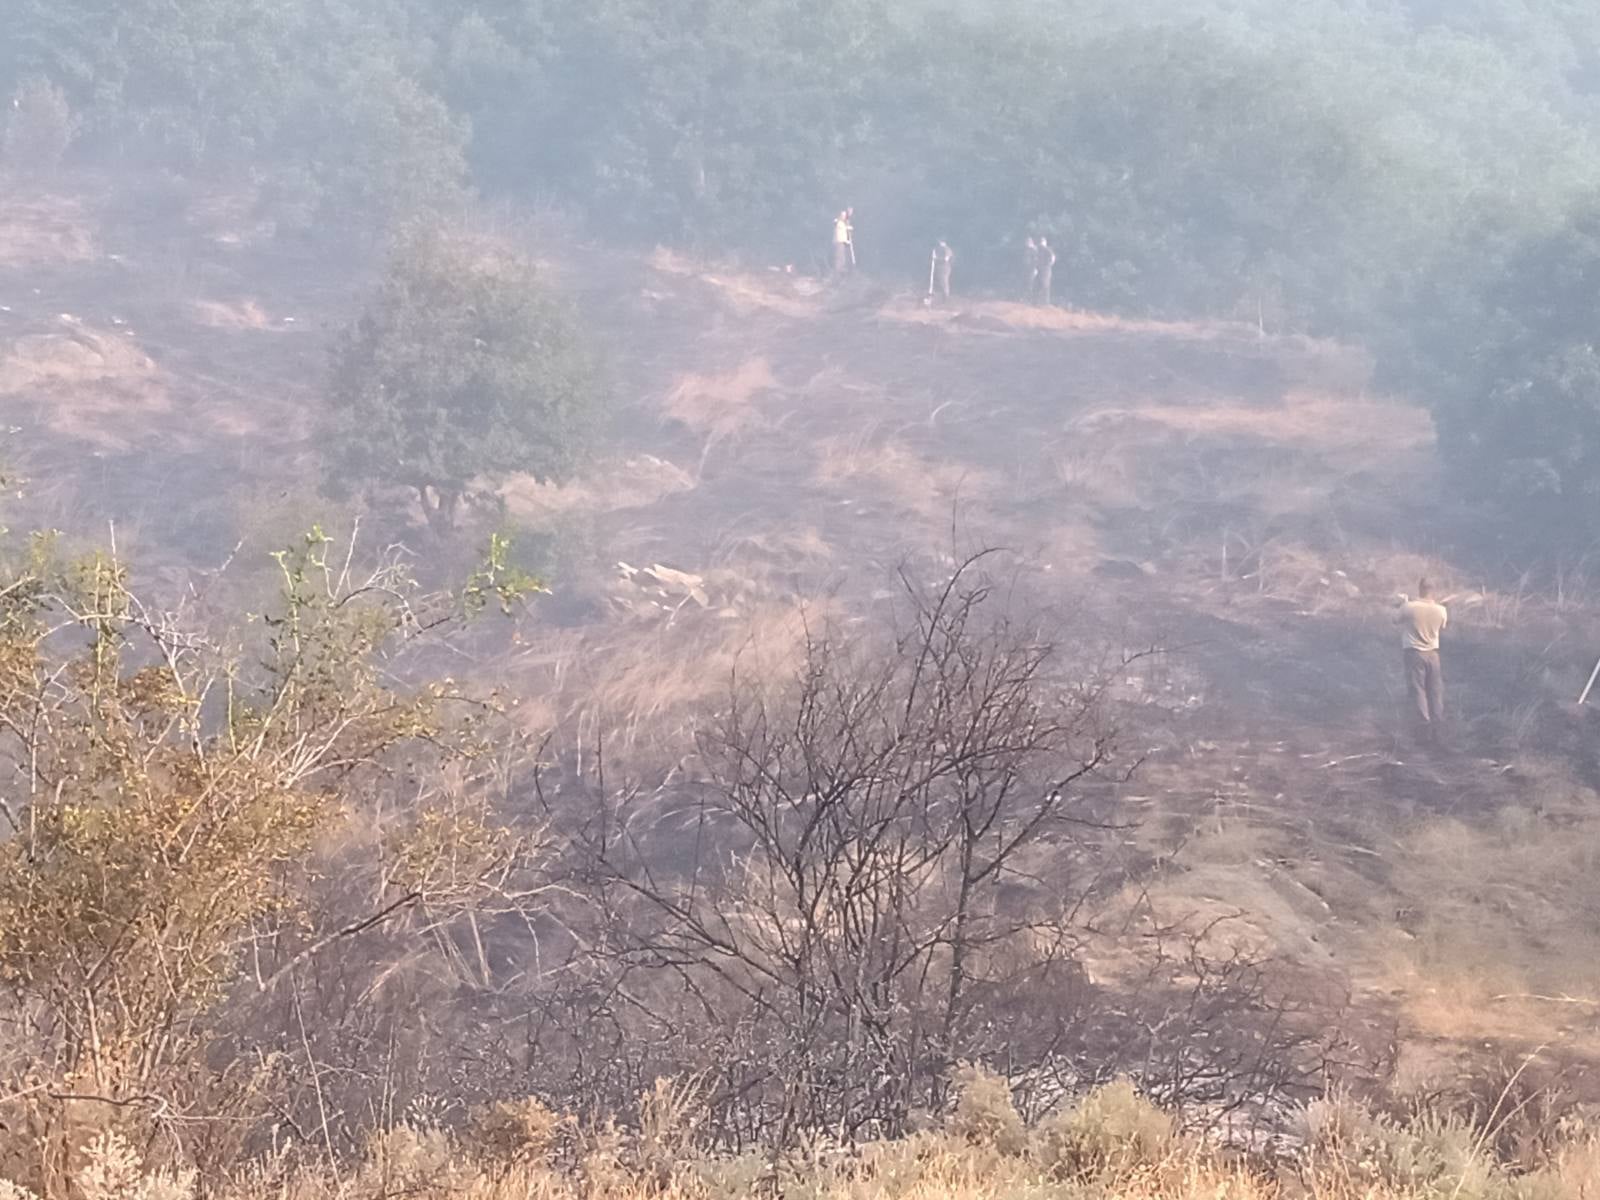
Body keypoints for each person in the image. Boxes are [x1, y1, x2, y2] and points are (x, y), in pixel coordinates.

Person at [1397, 578, 1450, 739]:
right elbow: (1443, 626)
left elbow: (1395, 620)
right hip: (1433, 655)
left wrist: (1403, 603)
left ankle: (1424, 725)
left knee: (1418, 690)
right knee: (1435, 690)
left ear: (1419, 588)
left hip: (1414, 654)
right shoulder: (1441, 610)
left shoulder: (1408, 607)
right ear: (1433, 590)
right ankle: (1438, 724)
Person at [1036, 236, 1057, 305]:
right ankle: (1039, 302)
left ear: (1045, 242)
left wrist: (1049, 265)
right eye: (1040, 241)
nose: (1041, 243)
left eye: (1042, 241)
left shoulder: (1047, 250)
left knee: (1045, 285)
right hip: (1040, 269)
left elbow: (1053, 258)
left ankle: (1045, 302)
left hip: (1045, 270)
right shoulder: (1038, 250)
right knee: (1039, 285)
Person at [833, 209, 854, 275]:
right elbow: (840, 233)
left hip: (842, 242)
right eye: (843, 215)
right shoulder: (839, 222)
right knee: (840, 257)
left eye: (844, 215)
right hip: (839, 242)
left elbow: (844, 231)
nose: (844, 216)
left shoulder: (842, 222)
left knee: (843, 257)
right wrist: (847, 228)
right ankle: (838, 271)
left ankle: (841, 270)